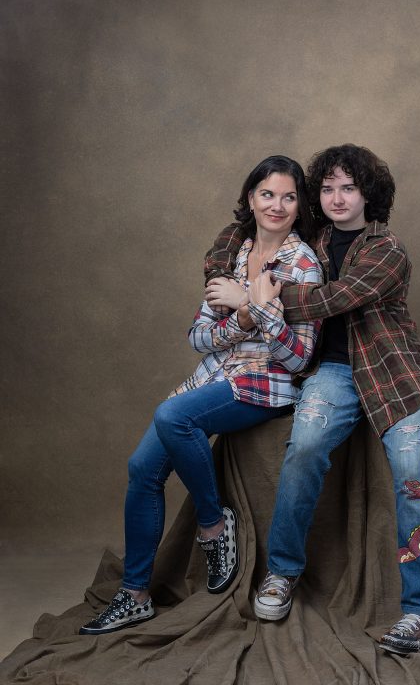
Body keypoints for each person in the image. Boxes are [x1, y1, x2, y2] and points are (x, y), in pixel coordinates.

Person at [204, 144, 420, 655]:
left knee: (412, 477)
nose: (337, 198)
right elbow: (238, 233)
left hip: (393, 374)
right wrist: (222, 271)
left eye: (349, 187)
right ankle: (282, 573)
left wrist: (249, 295)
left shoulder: (388, 250)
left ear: (369, 195)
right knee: (306, 448)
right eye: (328, 187)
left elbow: (331, 299)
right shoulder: (311, 238)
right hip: (333, 372)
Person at [79, 155, 323, 635]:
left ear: (299, 207)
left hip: (265, 385)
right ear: (250, 198)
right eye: (267, 194)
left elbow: (299, 359)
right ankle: (134, 596)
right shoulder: (231, 254)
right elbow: (198, 337)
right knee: (141, 470)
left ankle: (214, 526)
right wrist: (249, 316)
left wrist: (251, 303)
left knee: (173, 416)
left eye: (289, 196)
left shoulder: (304, 266)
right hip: (213, 377)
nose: (277, 205)